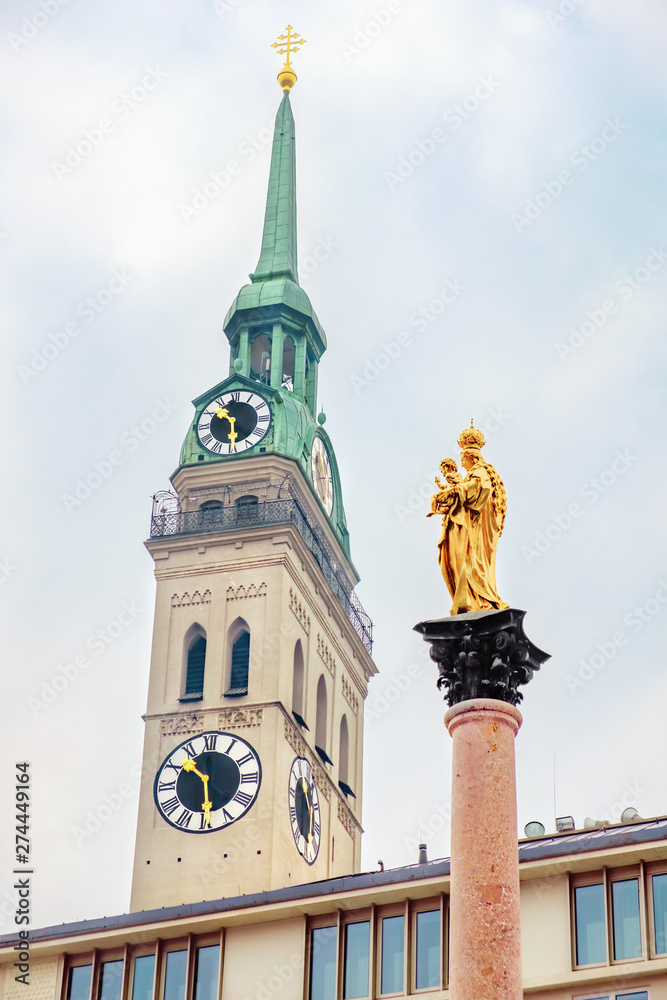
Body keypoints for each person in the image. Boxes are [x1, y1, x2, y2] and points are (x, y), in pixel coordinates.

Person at [428, 425, 508, 615]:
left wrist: (455, 491)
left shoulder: (481, 471)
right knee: (453, 562)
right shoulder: (470, 475)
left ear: (472, 457)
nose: (461, 463)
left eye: (463, 459)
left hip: (473, 532)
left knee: (469, 563)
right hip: (462, 526)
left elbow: (481, 490)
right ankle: (468, 599)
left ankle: (476, 599)